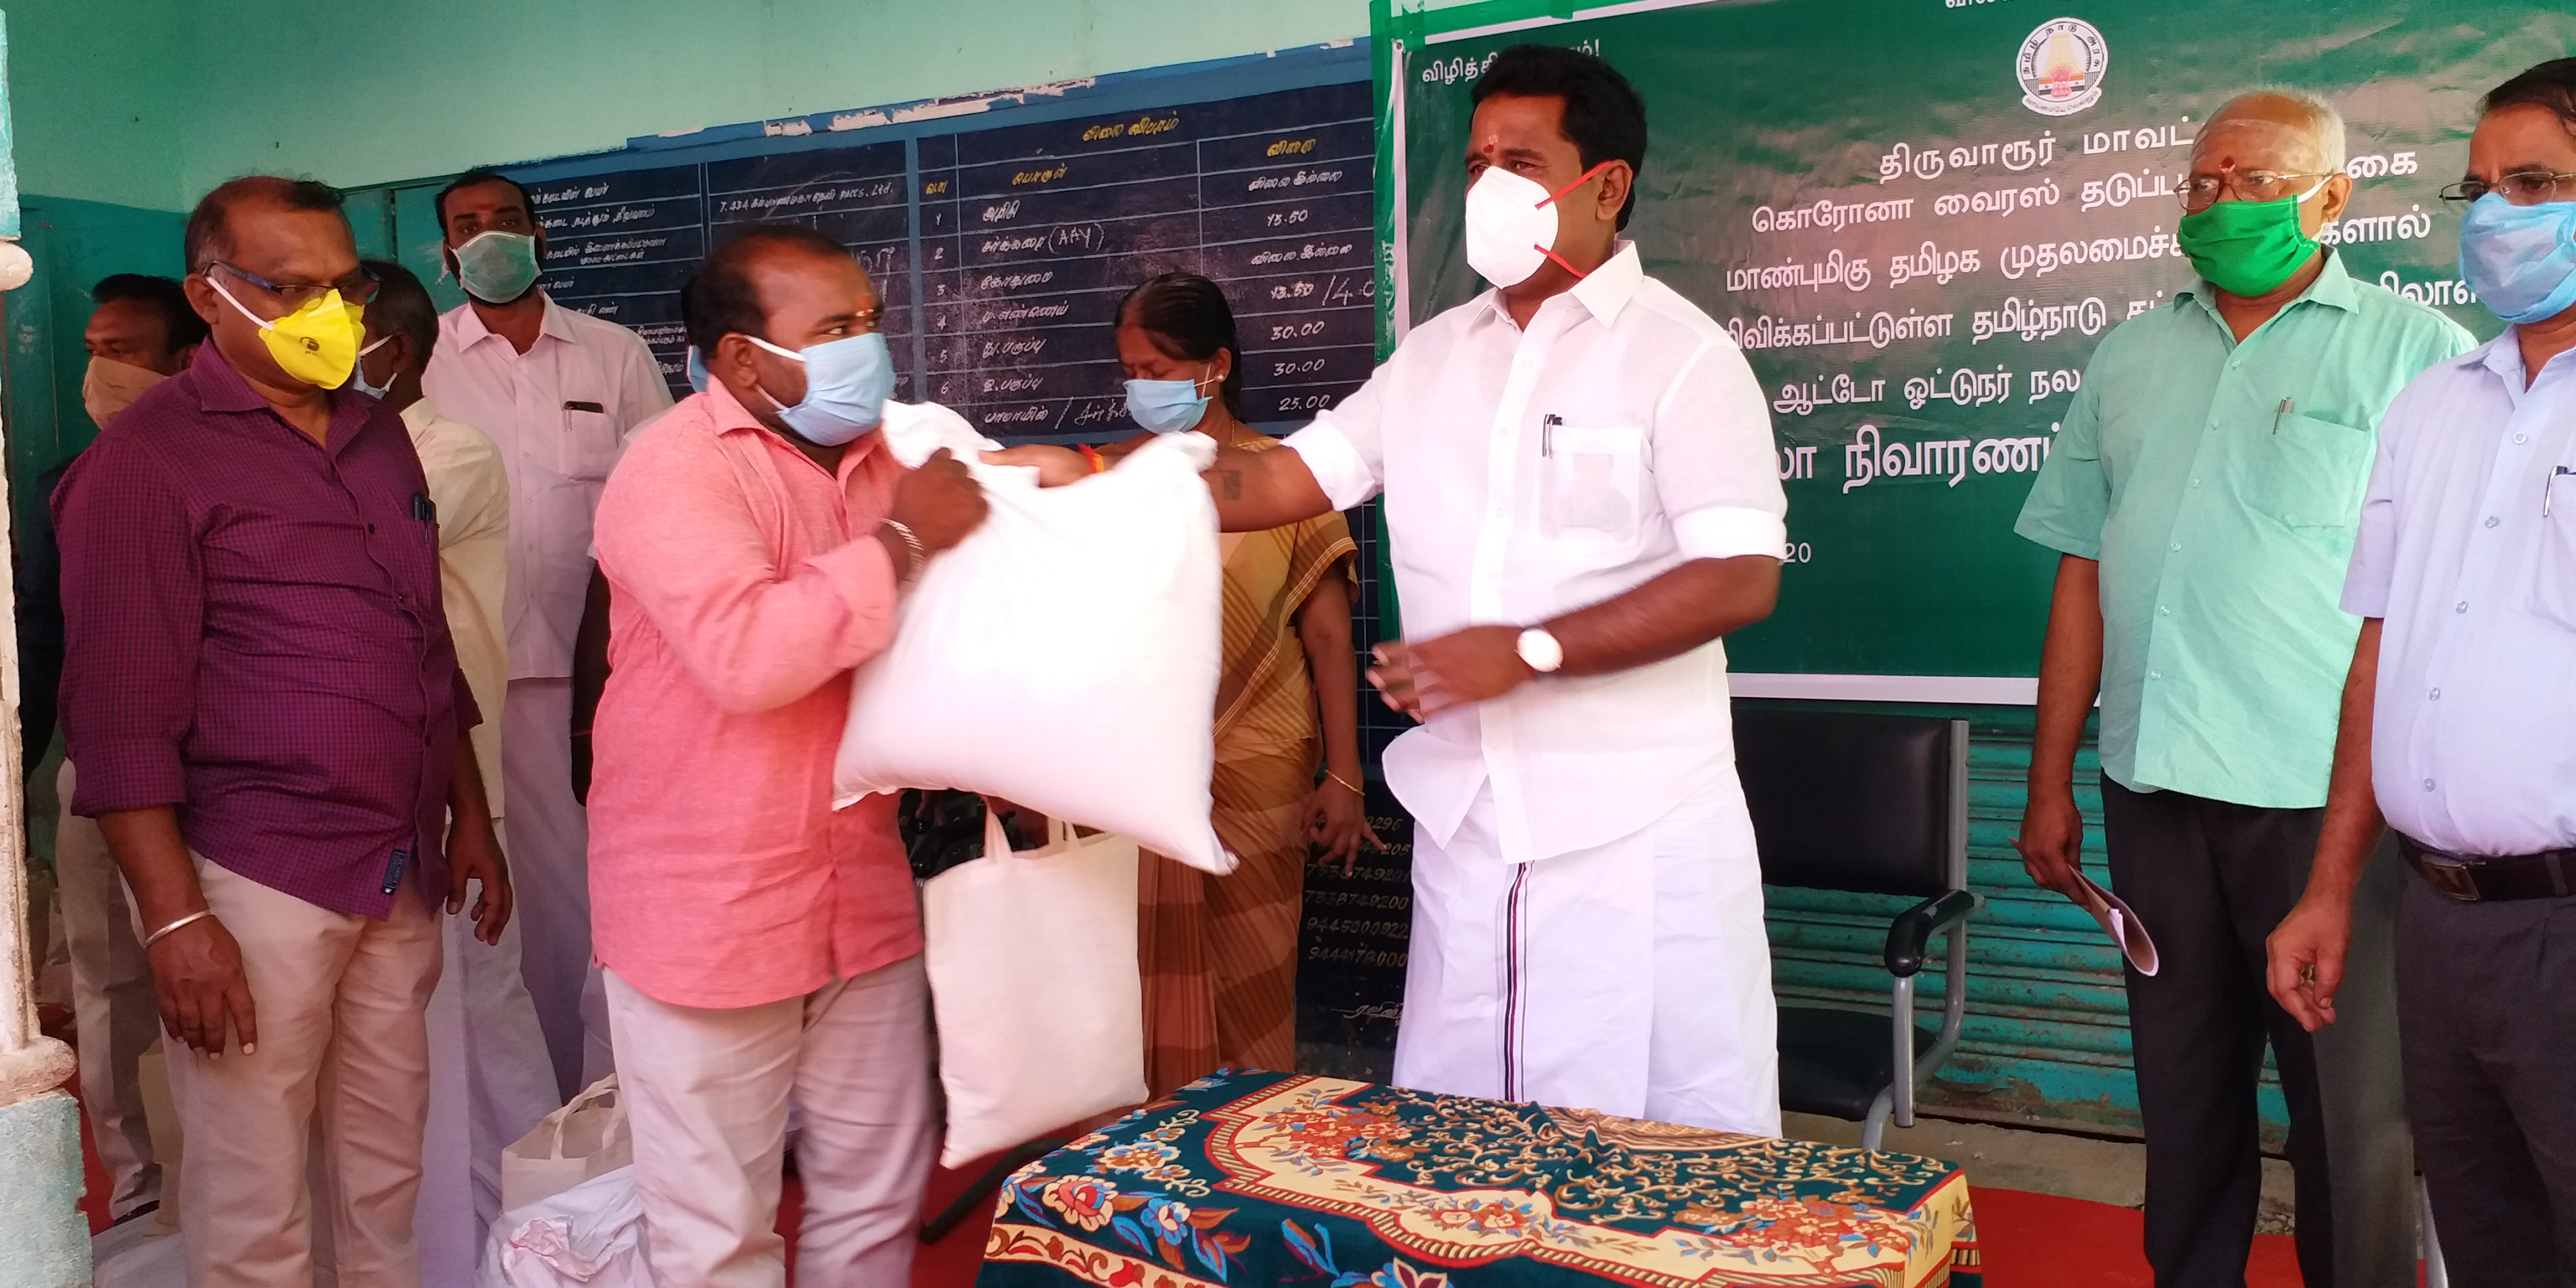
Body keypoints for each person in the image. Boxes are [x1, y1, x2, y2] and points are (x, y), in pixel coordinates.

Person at [1003, 44, 1788, 1134]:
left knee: (1649, 1151)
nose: (1489, 189)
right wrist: (1086, 476)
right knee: (1460, 1141)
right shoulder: (1432, 359)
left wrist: (1525, 651)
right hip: (1469, 825)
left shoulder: (1684, 361)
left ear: (1606, 185)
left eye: (1522, 161)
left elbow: (1739, 576)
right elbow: (1277, 477)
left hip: (1634, 834)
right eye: (1475, 165)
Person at [2011, 90, 2476, 1286]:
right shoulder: (2129, 354)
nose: (2223, 205)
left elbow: (2445, 603)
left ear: (2330, 200)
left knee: (2352, 1109)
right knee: (2182, 1093)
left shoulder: (2414, 355)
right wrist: (2050, 781)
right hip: (2150, 789)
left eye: (2258, 183)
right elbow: (2082, 576)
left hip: (2327, 810)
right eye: (2205, 183)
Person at [54, 176, 512, 1288]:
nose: (327, 310)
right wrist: (175, 924)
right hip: (253, 876)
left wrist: (471, 814)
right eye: (288, 287)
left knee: (382, 1179)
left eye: (342, 285)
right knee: (255, 1207)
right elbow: (118, 724)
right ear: (208, 297)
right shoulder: (144, 463)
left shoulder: (373, 433)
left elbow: (422, 643)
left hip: (394, 864)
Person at [587, 222, 987, 1284]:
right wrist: (903, 544)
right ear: (740, 359)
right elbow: (747, 656)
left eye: (870, 320)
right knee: (717, 1230)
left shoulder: (881, 459)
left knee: (875, 1194)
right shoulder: (671, 470)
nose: (869, 346)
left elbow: (1004, 501)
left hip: (858, 895)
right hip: (708, 914)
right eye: (837, 327)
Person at [2266, 58, 2576, 1282]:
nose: (2497, 215)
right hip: (2441, 930)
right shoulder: (2430, 408)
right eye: (2479, 188)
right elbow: (2382, 657)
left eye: (2537, 182)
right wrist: (2333, 885)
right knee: (2488, 1243)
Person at [422, 168, 673, 1098]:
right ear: (447, 252)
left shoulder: (613, 353)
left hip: (597, 677)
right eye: (468, 225)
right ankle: (519, 1110)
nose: (490, 237)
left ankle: (603, 1097)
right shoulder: (422, 360)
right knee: (491, 905)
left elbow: (660, 497)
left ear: (540, 237)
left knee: (595, 893)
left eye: (507, 221)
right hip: (471, 678)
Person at [1101, 272, 1375, 1096]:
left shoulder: (1285, 480)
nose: (1138, 386)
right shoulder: (1110, 481)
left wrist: (1346, 775)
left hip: (1257, 774)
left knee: (1252, 989)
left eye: (1155, 368)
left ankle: (1246, 1170)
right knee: (1130, 991)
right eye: (1130, 369)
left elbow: (1328, 637)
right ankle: (1137, 1182)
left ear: (1215, 366)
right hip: (1125, 787)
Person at [355, 258, 563, 1282]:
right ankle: (445, 1242)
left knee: (484, 1001)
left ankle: (539, 1232)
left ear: (388, 349)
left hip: (454, 761)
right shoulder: (333, 450)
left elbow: (361, 562)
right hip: (364, 776)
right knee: (405, 1037)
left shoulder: (451, 451)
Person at [40, 273, 206, 1230]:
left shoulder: (226, 470)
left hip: (209, 776)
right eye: (93, 350)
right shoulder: (65, 479)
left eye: (124, 351)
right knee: (108, 984)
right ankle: (136, 1184)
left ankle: (205, 1182)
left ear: (186, 358)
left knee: (211, 979)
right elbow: (39, 635)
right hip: (94, 771)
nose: (100, 369)